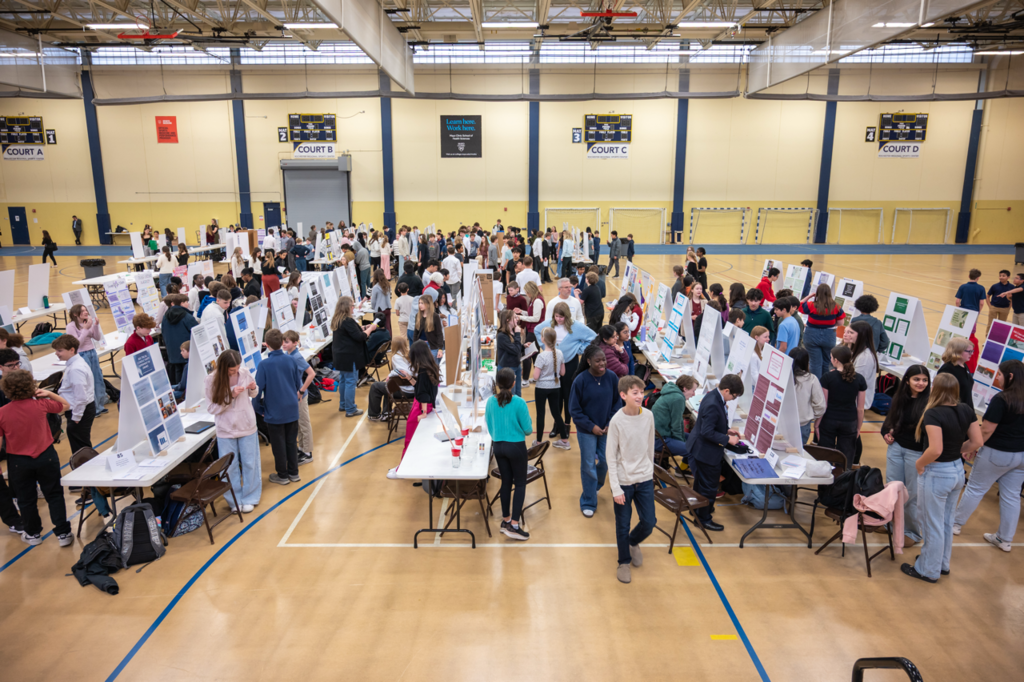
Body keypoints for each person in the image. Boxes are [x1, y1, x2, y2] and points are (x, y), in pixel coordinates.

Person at [901, 373, 983, 583]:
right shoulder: (965, 409)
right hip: (956, 471)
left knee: (931, 523)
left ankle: (928, 570)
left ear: (935, 388)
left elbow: (935, 449)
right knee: (945, 521)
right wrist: (957, 451)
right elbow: (977, 441)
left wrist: (919, 464)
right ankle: (941, 563)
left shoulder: (933, 413)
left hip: (937, 473)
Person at [953, 359, 1024, 551]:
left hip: (997, 453)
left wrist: (966, 447)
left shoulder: (1002, 399)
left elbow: (985, 431)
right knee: (1012, 496)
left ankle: (955, 523)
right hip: (1020, 456)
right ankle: (1004, 539)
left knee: (975, 488)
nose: (997, 378)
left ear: (1010, 377)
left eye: (999, 374)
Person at [0, 370, 72, 546]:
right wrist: (48, 393)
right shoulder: (41, 404)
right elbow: (66, 405)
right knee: (54, 494)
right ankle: (62, 534)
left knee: (26, 499)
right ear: (30, 386)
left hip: (18, 461)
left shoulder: (2, 412)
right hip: (46, 456)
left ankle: (33, 534)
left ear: (6, 390)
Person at [608, 374, 656, 584]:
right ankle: (623, 562)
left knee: (649, 522)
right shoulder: (617, 421)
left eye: (641, 392)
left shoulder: (648, 416)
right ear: (623, 395)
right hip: (624, 482)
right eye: (635, 393)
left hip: (644, 477)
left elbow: (650, 446)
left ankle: (633, 542)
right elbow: (610, 456)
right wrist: (616, 488)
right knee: (622, 524)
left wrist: (650, 472)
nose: (640, 396)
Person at [569, 346, 624, 518]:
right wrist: (591, 426)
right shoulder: (580, 380)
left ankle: (594, 488)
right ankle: (588, 500)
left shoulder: (612, 377)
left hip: (607, 429)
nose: (602, 363)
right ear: (589, 361)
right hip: (587, 430)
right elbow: (574, 410)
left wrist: (609, 423)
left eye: (604, 360)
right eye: (598, 360)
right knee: (588, 465)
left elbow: (617, 404)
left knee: (605, 463)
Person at [686, 374, 744, 532]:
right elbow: (707, 432)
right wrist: (727, 439)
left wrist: (725, 429)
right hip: (706, 452)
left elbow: (709, 423)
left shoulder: (712, 395)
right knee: (708, 488)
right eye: (734, 396)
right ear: (726, 390)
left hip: (699, 448)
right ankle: (703, 519)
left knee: (700, 484)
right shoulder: (713, 403)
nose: (733, 399)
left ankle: (697, 510)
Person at [205, 350, 260, 513]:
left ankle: (250, 497)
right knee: (230, 467)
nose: (236, 372)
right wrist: (231, 395)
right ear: (223, 368)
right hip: (225, 429)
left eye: (237, 368)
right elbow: (212, 408)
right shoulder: (211, 380)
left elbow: (254, 394)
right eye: (232, 370)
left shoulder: (244, 372)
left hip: (247, 425)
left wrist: (253, 387)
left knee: (251, 463)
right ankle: (234, 499)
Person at [882, 364, 931, 547]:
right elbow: (890, 420)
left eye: (924, 380)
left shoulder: (929, 403)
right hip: (896, 448)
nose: (921, 383)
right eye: (916, 379)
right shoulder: (900, 397)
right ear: (907, 381)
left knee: (911, 494)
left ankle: (911, 532)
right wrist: (886, 432)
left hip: (916, 453)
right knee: (891, 488)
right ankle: (889, 523)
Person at [484, 368, 533, 542]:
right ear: (514, 383)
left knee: (506, 482)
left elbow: (489, 425)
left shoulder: (490, 402)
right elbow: (528, 430)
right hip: (516, 447)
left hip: (498, 446)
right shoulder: (519, 403)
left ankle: (505, 520)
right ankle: (514, 525)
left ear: (497, 384)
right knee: (520, 484)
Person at [255, 329, 303, 486]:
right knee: (291, 441)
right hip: (291, 408)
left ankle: (282, 475)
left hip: (274, 411)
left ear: (267, 345)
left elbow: (257, 391)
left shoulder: (263, 365)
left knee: (278, 444)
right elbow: (298, 384)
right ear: (283, 342)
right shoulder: (291, 360)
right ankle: (294, 473)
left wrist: (259, 410)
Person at [817, 345, 867, 464]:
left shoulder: (828, 378)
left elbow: (824, 405)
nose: (830, 360)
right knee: (845, 459)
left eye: (831, 357)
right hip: (849, 421)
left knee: (825, 458)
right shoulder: (859, 379)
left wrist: (817, 424)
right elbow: (860, 408)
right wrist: (858, 427)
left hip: (829, 420)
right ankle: (842, 480)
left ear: (836, 360)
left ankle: (825, 482)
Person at [51, 334, 96, 458]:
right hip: (81, 409)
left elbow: (81, 396)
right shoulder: (75, 363)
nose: (56, 353)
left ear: (72, 350)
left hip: (80, 411)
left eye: (60, 350)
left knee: (80, 447)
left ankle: (85, 469)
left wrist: (76, 417)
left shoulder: (76, 369)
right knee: (81, 443)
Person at [396, 340, 441, 465]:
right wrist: (409, 378)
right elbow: (421, 388)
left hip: (420, 407)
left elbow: (423, 395)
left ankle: (404, 465)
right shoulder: (431, 368)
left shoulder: (422, 372)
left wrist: (423, 412)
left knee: (410, 439)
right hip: (426, 405)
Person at [331, 296, 373, 418]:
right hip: (349, 356)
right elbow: (360, 337)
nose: (353, 307)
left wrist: (363, 328)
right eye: (352, 305)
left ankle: (343, 404)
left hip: (340, 355)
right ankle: (350, 408)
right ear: (347, 307)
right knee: (350, 381)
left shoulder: (337, 320)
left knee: (343, 380)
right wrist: (369, 329)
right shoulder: (347, 321)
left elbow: (352, 332)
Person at [64, 304, 109, 415]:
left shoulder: (87, 322)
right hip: (81, 354)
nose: (86, 312)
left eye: (86, 310)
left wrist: (96, 326)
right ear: (75, 314)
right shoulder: (71, 326)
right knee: (88, 381)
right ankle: (93, 408)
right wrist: (85, 329)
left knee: (97, 378)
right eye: (82, 311)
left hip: (92, 352)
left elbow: (97, 338)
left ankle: (99, 405)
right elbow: (76, 344)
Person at [281, 330, 316, 465]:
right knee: (299, 424)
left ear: (295, 343)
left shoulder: (296, 357)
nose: (284, 344)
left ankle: (308, 453)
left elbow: (311, 374)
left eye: (287, 342)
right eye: (283, 341)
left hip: (300, 396)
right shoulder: (288, 354)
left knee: (304, 423)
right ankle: (302, 448)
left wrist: (301, 391)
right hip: (294, 396)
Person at [800, 283, 845, 379]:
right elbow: (841, 322)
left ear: (817, 294)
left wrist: (810, 296)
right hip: (829, 335)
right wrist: (830, 324)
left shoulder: (811, 305)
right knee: (827, 362)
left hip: (811, 335)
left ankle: (815, 385)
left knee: (814, 362)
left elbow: (799, 305)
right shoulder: (836, 306)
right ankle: (825, 385)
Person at [532, 326, 566, 448]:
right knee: (556, 413)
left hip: (541, 388)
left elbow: (535, 377)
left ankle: (539, 442)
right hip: (556, 387)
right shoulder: (560, 353)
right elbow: (562, 373)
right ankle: (564, 440)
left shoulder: (541, 356)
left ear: (542, 339)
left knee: (540, 414)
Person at [653, 375, 698, 463]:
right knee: (694, 451)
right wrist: (682, 443)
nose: (694, 394)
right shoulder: (678, 398)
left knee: (696, 440)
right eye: (693, 391)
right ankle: (683, 470)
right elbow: (676, 425)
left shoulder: (672, 392)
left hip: (661, 433)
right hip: (659, 439)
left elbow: (677, 423)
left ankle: (683, 469)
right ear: (685, 389)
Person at [368, 336, 413, 422]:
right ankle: (386, 413)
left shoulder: (396, 356)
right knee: (387, 386)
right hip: (414, 389)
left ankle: (374, 414)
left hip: (404, 392)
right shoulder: (410, 354)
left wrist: (391, 375)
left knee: (376, 386)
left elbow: (403, 372)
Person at [790, 347, 825, 444]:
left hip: (782, 424)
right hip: (803, 425)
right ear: (806, 362)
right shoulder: (811, 379)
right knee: (798, 456)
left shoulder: (782, 377)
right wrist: (809, 415)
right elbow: (821, 405)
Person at [161, 294, 198, 385]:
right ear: (181, 303)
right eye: (186, 302)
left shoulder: (165, 317)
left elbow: (163, 331)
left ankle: (179, 394)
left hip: (172, 350)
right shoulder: (187, 316)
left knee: (178, 372)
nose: (188, 304)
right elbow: (197, 332)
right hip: (187, 349)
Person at [846, 320, 879, 419]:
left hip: (856, 403)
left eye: (851, 333)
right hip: (852, 401)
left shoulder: (865, 357)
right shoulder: (857, 351)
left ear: (861, 335)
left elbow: (856, 381)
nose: (848, 335)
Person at [936, 337, 975, 409]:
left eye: (972, 351)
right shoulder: (947, 369)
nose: (971, 354)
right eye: (969, 351)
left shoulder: (964, 366)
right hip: (954, 412)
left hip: (966, 410)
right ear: (957, 351)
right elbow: (942, 395)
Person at [519, 281, 545, 383]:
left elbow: (535, 318)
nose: (526, 294)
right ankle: (538, 377)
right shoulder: (534, 300)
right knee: (535, 354)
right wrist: (521, 312)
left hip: (534, 331)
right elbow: (531, 314)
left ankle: (525, 380)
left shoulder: (537, 301)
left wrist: (520, 317)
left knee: (526, 354)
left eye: (527, 292)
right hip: (533, 330)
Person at [496, 309, 525, 396]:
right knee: (511, 395)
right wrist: (517, 334)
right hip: (507, 369)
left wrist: (523, 346)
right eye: (515, 318)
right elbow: (515, 350)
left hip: (516, 366)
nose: (517, 319)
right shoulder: (502, 336)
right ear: (508, 320)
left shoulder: (511, 331)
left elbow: (515, 348)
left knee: (518, 394)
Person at [413, 295, 444, 360]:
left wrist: (440, 349)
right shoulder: (418, 316)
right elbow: (415, 332)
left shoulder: (435, 316)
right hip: (420, 345)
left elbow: (439, 334)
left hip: (433, 347)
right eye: (419, 303)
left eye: (422, 303)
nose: (420, 305)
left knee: (433, 367)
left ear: (428, 304)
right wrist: (414, 346)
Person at [369, 268, 392, 335]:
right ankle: (389, 340)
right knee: (388, 326)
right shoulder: (388, 285)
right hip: (388, 308)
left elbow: (373, 301)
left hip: (380, 309)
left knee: (378, 327)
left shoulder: (375, 287)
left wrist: (373, 308)